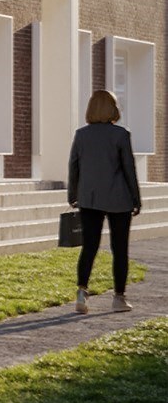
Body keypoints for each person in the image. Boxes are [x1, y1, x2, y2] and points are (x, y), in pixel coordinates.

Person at [69, 89, 142, 314]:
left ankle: (82, 292)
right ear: (113, 108)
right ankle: (119, 298)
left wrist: (73, 195)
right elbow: (129, 168)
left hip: (89, 197)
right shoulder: (121, 135)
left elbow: (74, 166)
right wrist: (136, 198)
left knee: (89, 247)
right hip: (119, 198)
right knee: (119, 249)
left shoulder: (81, 135)